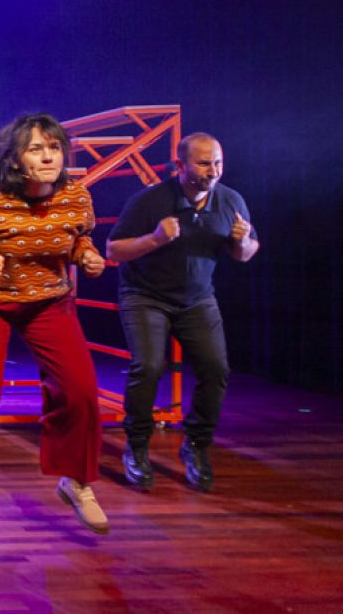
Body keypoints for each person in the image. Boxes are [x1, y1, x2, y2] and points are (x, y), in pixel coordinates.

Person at [0, 113, 109, 538]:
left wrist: (85, 256)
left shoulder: (76, 197)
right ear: (15, 159)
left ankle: (75, 481)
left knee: (81, 391)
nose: (48, 157)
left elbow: (78, 236)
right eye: (36, 149)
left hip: (48, 301)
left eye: (54, 148)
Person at [108, 132, 258, 493]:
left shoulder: (230, 200)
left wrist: (242, 241)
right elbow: (113, 250)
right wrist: (155, 239)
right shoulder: (150, 200)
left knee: (216, 370)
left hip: (197, 299)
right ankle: (137, 447)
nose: (213, 171)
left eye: (218, 162)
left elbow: (246, 253)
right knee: (149, 367)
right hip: (146, 295)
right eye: (204, 163)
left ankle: (196, 445)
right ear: (180, 165)